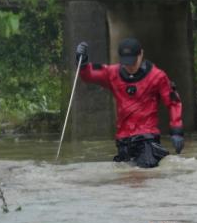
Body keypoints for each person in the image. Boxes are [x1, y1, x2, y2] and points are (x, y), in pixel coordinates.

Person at [75, 38, 184, 168]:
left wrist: (176, 130)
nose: (130, 66)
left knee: (144, 175)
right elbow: (89, 75)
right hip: (123, 140)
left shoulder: (157, 76)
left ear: (141, 54)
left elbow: (173, 102)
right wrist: (82, 62)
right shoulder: (112, 73)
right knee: (125, 178)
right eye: (126, 63)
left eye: (133, 62)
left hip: (147, 139)